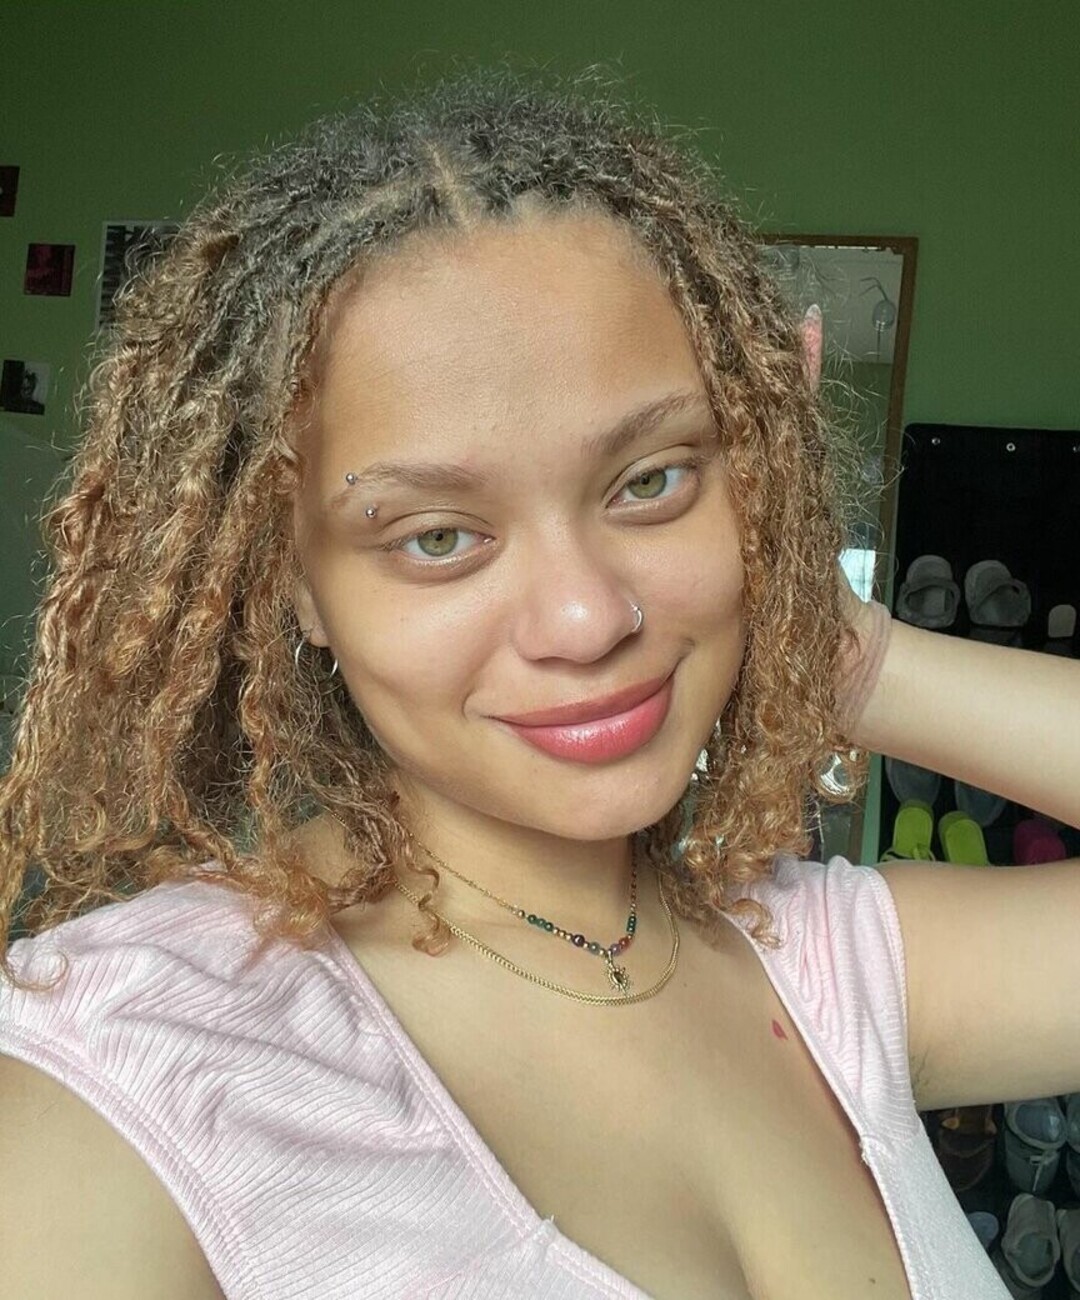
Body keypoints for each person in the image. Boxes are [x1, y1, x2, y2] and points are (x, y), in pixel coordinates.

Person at [0, 65, 1077, 1300]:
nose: (586, 618)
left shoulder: (824, 968)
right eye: (437, 536)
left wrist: (840, 651)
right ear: (293, 584)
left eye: (651, 480)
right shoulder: (124, 1083)